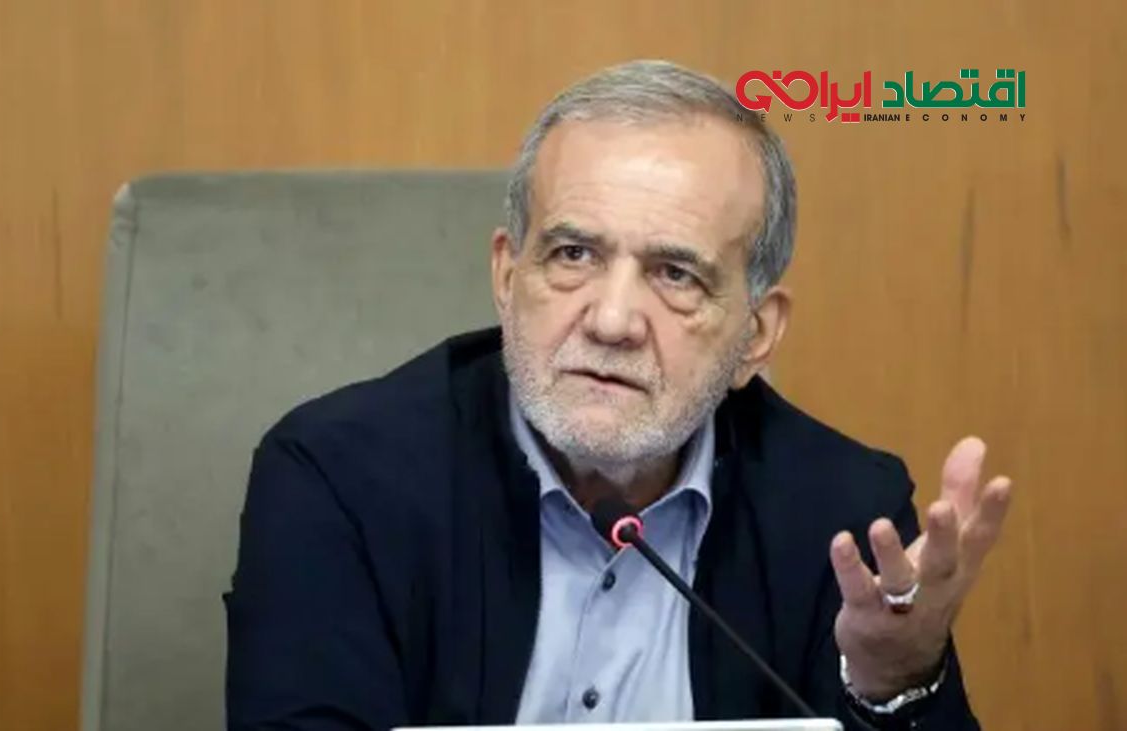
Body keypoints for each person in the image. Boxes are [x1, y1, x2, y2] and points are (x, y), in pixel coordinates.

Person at [225, 60, 1012, 731]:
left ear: (757, 332)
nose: (611, 321)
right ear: (507, 276)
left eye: (676, 274)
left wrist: (895, 681)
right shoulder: (336, 480)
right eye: (573, 254)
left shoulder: (843, 518)